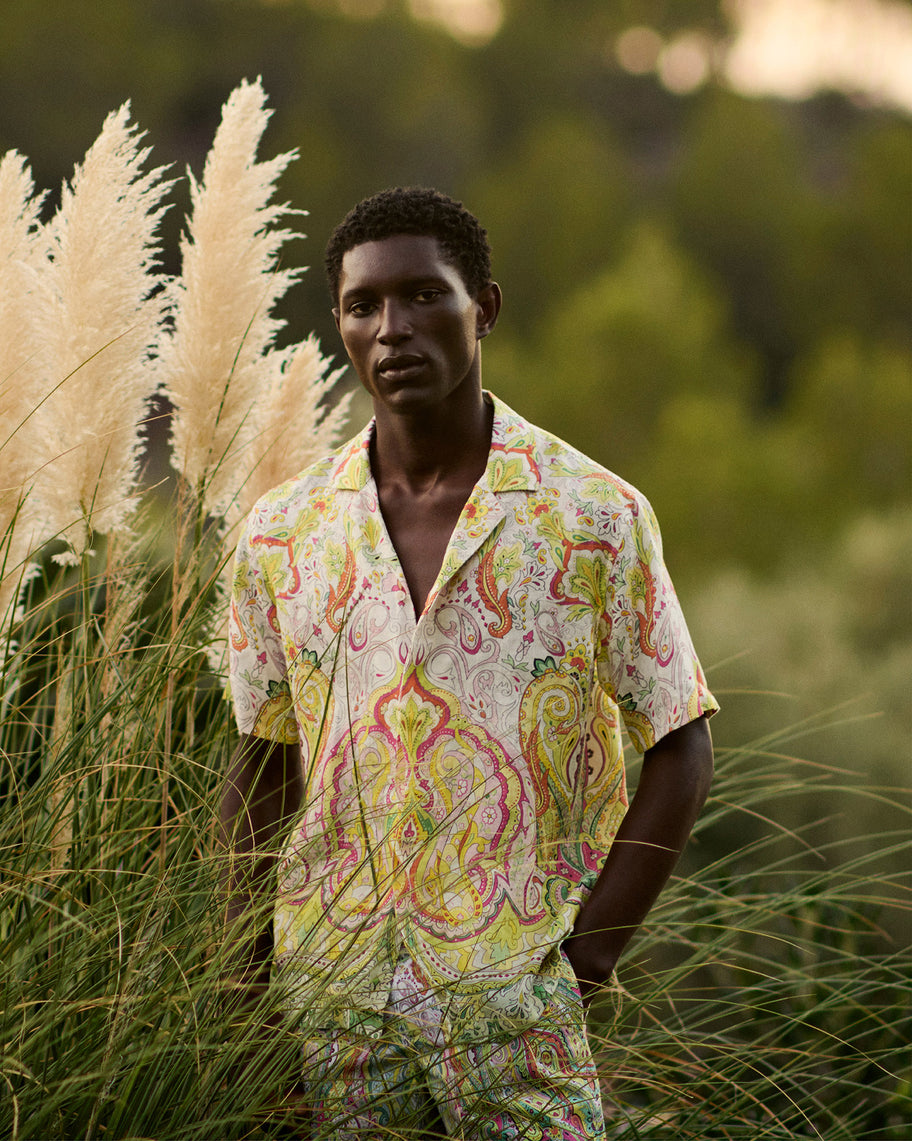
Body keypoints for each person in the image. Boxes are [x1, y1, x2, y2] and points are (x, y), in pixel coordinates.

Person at [222, 186, 718, 1139]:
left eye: (423, 296)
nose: (391, 328)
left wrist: (582, 966)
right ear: (338, 322)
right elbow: (262, 767)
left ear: (484, 306)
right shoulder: (282, 533)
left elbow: (683, 747)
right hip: (333, 1005)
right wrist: (246, 993)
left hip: (519, 1007)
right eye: (363, 305)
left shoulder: (594, 515)